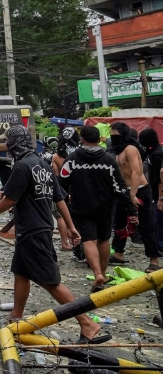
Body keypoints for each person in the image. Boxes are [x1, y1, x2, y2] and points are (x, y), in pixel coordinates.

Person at [0, 126, 104, 343]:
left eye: (8, 141)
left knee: (50, 281)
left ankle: (87, 323)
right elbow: (59, 198)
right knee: (21, 272)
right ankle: (16, 316)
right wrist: (71, 226)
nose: (6, 145)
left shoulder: (22, 166)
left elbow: (11, 199)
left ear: (15, 143)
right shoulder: (42, 165)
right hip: (38, 228)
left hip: (32, 231)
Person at [59, 126, 137, 290]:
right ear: (98, 139)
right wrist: (132, 210)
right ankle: (103, 272)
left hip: (81, 207)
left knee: (88, 240)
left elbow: (62, 183)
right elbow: (120, 186)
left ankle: (97, 274)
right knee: (103, 240)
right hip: (106, 207)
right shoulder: (108, 159)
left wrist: (64, 201)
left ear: (82, 139)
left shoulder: (72, 159)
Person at [108, 122, 159, 271]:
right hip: (124, 191)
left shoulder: (130, 149)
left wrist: (133, 195)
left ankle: (154, 260)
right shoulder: (118, 151)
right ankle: (118, 254)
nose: (113, 137)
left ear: (123, 135)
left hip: (140, 190)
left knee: (145, 225)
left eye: (115, 134)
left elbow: (137, 173)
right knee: (119, 223)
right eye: (112, 134)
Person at [141, 129, 163, 254]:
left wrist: (160, 197)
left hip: (159, 193)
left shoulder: (157, 155)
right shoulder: (152, 153)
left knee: (159, 220)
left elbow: (160, 178)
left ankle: (160, 245)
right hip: (155, 192)